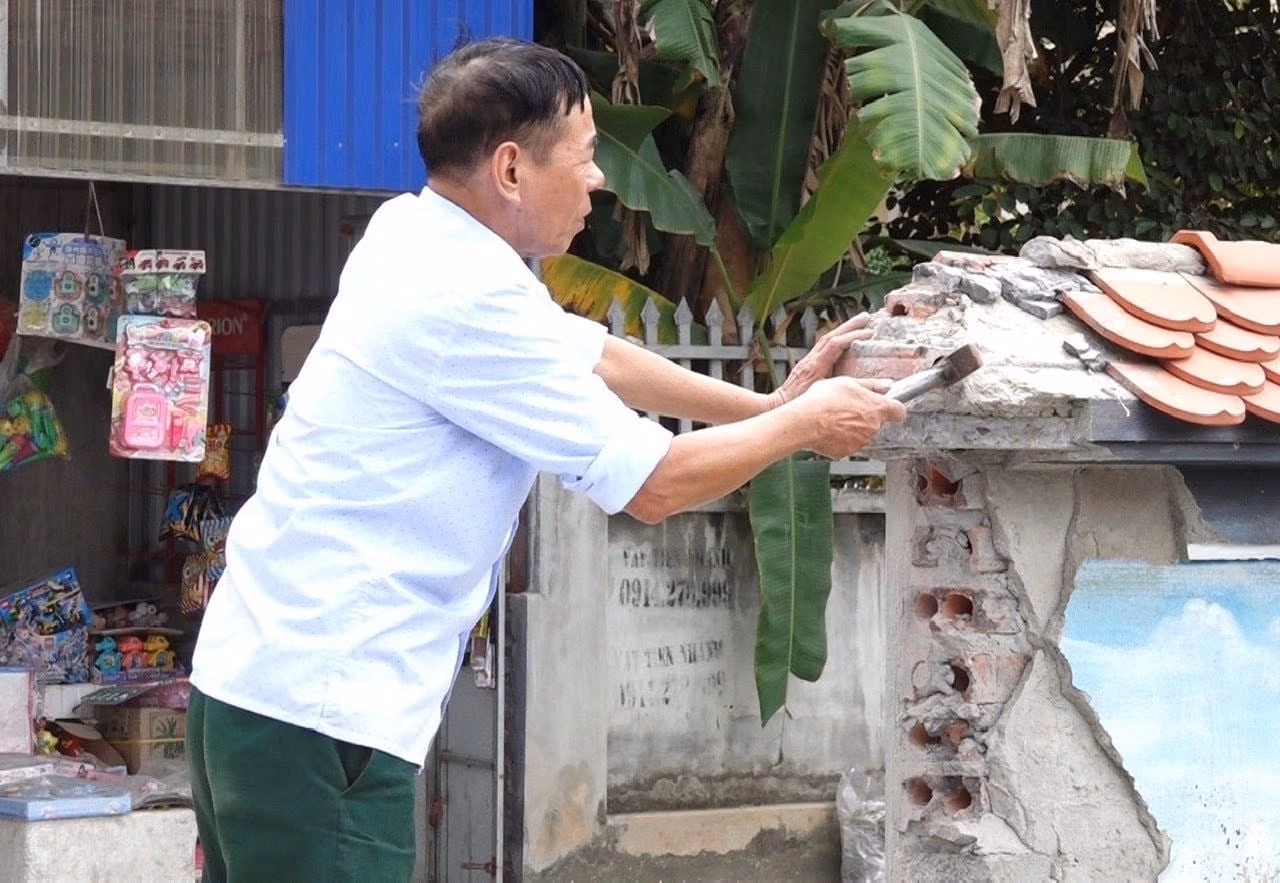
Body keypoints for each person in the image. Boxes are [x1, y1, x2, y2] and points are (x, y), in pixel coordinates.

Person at [185, 36, 906, 881]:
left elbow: (593, 353)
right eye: (586, 155)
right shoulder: (468, 298)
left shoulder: (414, 232)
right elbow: (653, 485)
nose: (599, 179)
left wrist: (773, 405)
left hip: (252, 690)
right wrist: (804, 428)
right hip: (321, 721)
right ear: (511, 168)